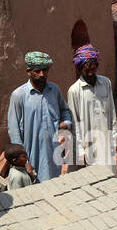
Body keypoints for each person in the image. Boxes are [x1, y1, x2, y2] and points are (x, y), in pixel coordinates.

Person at [7, 52, 73, 183]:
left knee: (54, 184)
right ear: (28, 72)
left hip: (53, 150)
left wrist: (66, 123)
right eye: (37, 71)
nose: (42, 74)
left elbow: (64, 110)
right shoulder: (19, 95)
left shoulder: (54, 90)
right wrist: (24, 161)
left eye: (45, 70)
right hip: (31, 152)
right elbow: (13, 130)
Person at [66, 43, 116, 171]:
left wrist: (114, 139)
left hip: (105, 140)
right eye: (86, 70)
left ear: (97, 66)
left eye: (93, 69)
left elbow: (112, 113)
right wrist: (80, 151)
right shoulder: (74, 91)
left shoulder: (106, 83)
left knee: (109, 177)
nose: (90, 73)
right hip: (87, 144)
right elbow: (75, 123)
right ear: (79, 69)